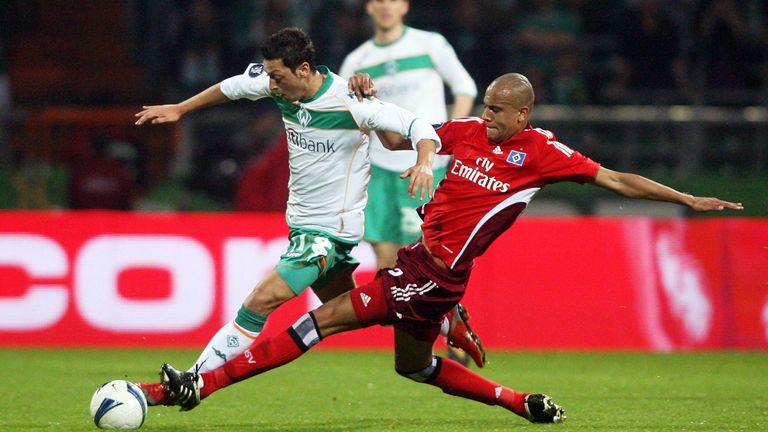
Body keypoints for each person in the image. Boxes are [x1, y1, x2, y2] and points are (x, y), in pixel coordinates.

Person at [157, 73, 743, 422]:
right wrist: (370, 99)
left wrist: (685, 199)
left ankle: (202, 385)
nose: (485, 116)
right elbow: (399, 138)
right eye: (484, 105)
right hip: (427, 271)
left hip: (431, 276)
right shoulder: (467, 132)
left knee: (318, 322)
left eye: (496, 110)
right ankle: (517, 400)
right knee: (412, 368)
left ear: (523, 113)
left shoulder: (542, 154)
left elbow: (615, 179)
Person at [133, 27, 442, 405]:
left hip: (325, 235)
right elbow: (231, 87)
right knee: (368, 309)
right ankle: (443, 315)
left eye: (278, 76)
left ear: (304, 69)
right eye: (269, 76)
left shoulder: (351, 101)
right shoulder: (279, 86)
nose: (272, 85)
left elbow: (417, 127)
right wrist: (180, 109)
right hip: (305, 229)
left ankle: (193, 380)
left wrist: (424, 162)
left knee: (260, 301)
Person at [339, 0, 484, 367]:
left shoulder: (429, 43)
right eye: (378, 0)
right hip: (379, 169)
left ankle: (448, 326)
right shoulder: (357, 61)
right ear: (369, 8)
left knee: (432, 259)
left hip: (425, 166)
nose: (385, 6)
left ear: (404, 6)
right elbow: (348, 116)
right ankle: (429, 337)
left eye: (393, 0)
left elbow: (465, 87)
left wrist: (448, 137)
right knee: (388, 265)